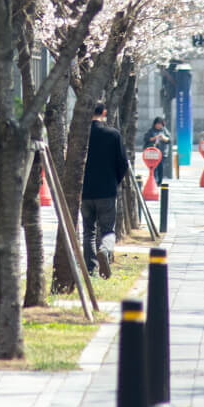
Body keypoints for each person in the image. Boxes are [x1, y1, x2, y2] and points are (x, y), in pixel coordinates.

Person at [81, 102, 129, 279]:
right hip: (107, 191)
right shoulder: (113, 134)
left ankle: (90, 270)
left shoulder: (81, 135)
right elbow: (123, 163)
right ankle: (105, 249)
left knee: (88, 231)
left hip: (85, 191)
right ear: (104, 113)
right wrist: (114, 181)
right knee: (108, 230)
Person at [142, 116, 170, 186]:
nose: (159, 125)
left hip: (162, 153)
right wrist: (155, 138)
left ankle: (159, 182)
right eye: (157, 124)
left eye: (160, 124)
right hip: (153, 153)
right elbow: (146, 139)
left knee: (160, 167)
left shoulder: (164, 131)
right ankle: (153, 181)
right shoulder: (151, 131)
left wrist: (163, 138)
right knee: (153, 168)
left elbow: (169, 139)